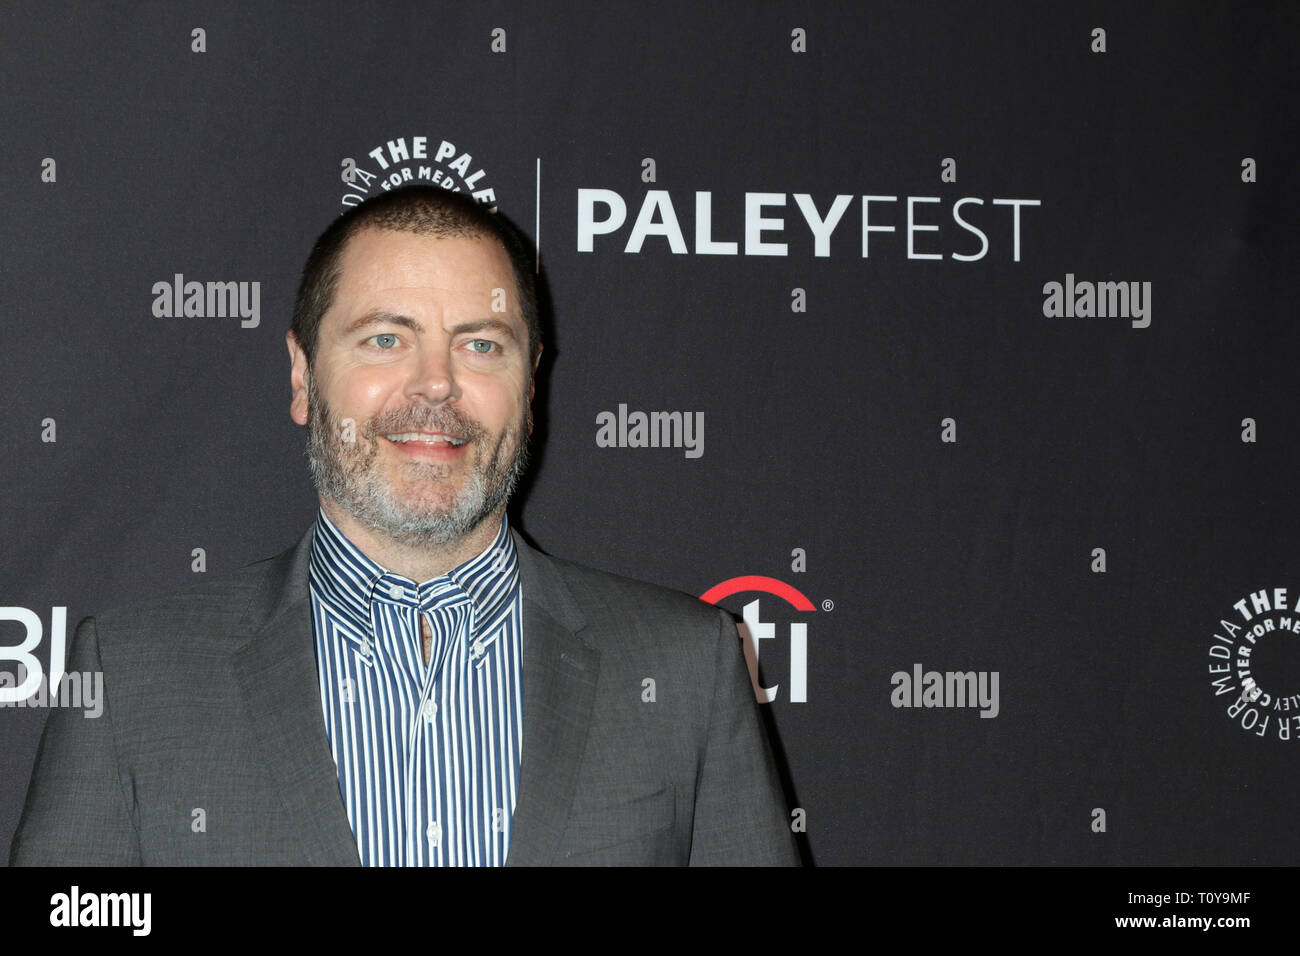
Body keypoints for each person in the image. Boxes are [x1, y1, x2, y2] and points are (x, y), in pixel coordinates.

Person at [9, 185, 799, 866]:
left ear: (531, 384)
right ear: (301, 374)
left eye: (481, 345)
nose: (436, 385)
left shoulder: (686, 670)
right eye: (385, 339)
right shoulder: (135, 677)